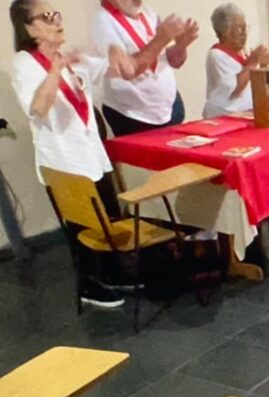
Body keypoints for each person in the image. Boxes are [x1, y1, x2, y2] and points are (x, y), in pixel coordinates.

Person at [10, 0, 182, 307]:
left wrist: (115, 53)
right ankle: (89, 286)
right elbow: (37, 108)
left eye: (56, 14)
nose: (56, 21)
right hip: (64, 160)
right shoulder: (25, 64)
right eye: (47, 17)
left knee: (106, 219)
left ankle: (114, 274)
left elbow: (115, 66)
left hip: (91, 154)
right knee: (83, 226)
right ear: (28, 27)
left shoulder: (67, 57)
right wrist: (56, 69)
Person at [92, 0, 199, 136]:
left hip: (168, 109)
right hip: (133, 116)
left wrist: (181, 46)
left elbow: (174, 62)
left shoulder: (148, 13)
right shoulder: (102, 21)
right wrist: (162, 38)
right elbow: (127, 70)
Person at [203, 3, 269, 119]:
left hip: (247, 113)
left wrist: (264, 64)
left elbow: (257, 85)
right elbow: (235, 89)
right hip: (224, 115)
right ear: (225, 31)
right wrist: (254, 61)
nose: (244, 33)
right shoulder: (216, 55)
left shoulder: (244, 53)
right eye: (239, 28)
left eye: (245, 28)